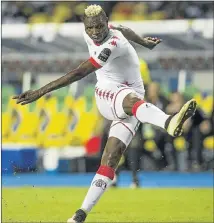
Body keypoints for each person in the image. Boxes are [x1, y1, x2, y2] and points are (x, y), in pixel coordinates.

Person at [13, 5, 197, 223]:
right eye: (90, 28)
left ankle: (79, 215)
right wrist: (144, 42)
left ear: (105, 22)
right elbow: (117, 34)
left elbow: (89, 62)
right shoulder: (102, 35)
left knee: (111, 157)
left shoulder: (112, 42)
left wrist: (143, 43)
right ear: (85, 26)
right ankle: (168, 121)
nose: (95, 32)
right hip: (107, 93)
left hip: (132, 97)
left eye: (100, 26)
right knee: (131, 101)